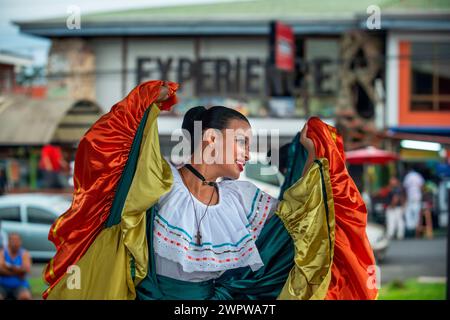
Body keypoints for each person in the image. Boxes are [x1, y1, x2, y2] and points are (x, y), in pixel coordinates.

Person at [41, 80, 377, 300]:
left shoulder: (242, 199)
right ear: (211, 139)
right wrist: (144, 107)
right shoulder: (161, 185)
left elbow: (301, 218)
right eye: (242, 141)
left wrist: (314, 155)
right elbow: (113, 158)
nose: (248, 153)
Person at [0, 233, 32, 300]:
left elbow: (26, 269)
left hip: (20, 285)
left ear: (20, 242)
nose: (15, 243)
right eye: (13, 240)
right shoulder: (2, 252)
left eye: (17, 240)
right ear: (8, 242)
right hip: (2, 285)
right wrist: (18, 272)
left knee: (25, 296)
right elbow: (1, 269)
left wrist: (8, 266)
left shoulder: (25, 253)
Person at [403, 167, 425, 237]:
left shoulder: (407, 176)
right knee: (416, 214)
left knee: (409, 213)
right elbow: (422, 187)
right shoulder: (418, 176)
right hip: (417, 197)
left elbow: (405, 188)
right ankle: (416, 230)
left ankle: (411, 229)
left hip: (410, 197)